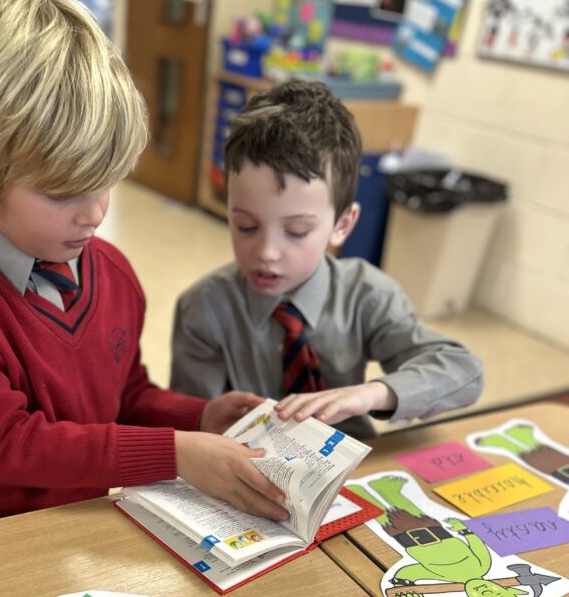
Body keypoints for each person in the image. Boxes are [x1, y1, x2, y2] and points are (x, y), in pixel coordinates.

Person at [0, 0, 288, 540]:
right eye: (63, 192)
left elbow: (126, 397)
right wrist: (175, 453)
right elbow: (4, 442)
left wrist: (197, 419)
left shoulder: (110, 272)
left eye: (105, 182)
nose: (93, 214)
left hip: (75, 531)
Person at [170, 80, 483, 441]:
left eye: (297, 231)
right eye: (246, 226)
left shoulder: (367, 294)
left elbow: (463, 371)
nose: (267, 252)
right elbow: (195, 428)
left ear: (342, 225)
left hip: (351, 459)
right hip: (243, 463)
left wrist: (370, 394)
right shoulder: (204, 309)